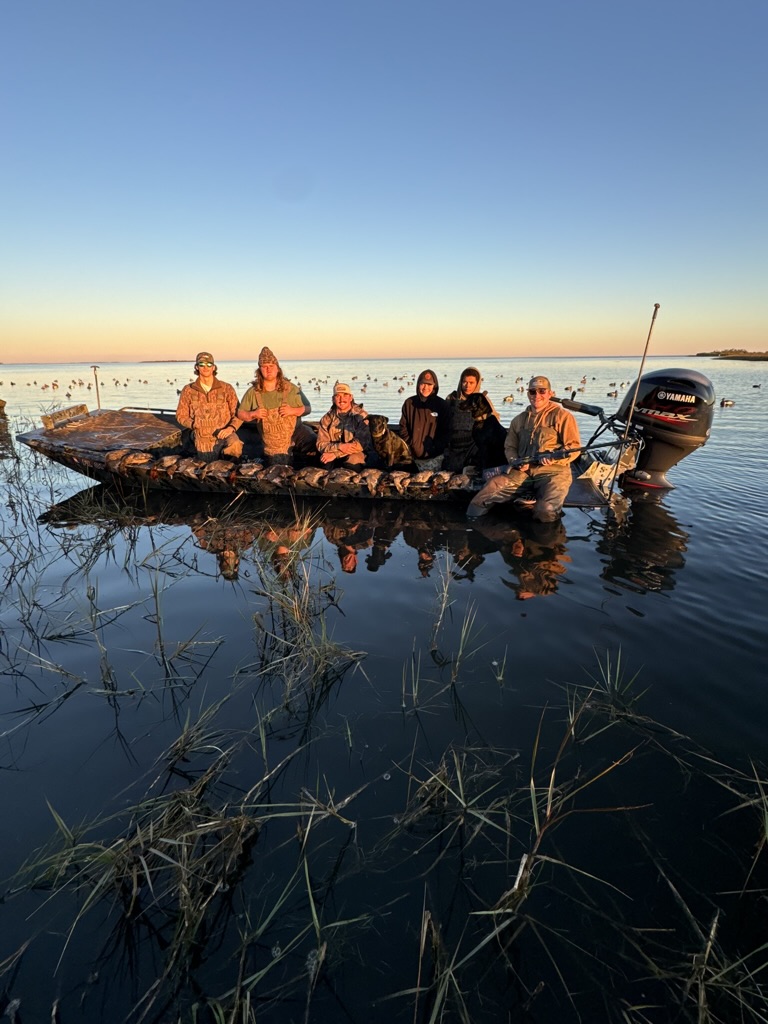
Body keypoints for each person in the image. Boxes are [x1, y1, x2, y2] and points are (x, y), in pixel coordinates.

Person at [466, 375, 581, 522]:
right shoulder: (518, 420)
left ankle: (545, 541)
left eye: (542, 391)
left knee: (545, 510)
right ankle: (474, 532)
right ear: (528, 394)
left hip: (553, 474)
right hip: (523, 473)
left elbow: (575, 447)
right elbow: (510, 446)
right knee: (484, 495)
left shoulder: (563, 416)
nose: (537, 395)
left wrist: (554, 456)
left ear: (550, 393)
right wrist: (515, 461)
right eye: (533, 392)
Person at [231, 347, 313, 464]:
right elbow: (240, 414)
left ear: (278, 369)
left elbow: (308, 408)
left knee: (313, 441)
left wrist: (293, 410)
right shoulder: (253, 392)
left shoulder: (291, 388)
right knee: (277, 467)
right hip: (270, 440)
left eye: (271, 366)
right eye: (264, 367)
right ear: (259, 370)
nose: (268, 370)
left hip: (295, 432)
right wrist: (253, 414)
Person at [175, 352, 243, 461]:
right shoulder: (188, 390)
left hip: (224, 434)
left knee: (234, 444)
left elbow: (239, 413)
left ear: (214, 367)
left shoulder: (226, 388)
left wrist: (230, 428)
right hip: (202, 435)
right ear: (197, 367)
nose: (205, 368)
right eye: (201, 364)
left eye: (209, 364)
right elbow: (180, 415)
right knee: (206, 468)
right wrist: (193, 424)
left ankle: (232, 470)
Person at [442, 366, 498, 472]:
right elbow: (443, 422)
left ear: (477, 383)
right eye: (465, 382)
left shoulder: (482, 401)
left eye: (471, 383)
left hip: (473, 447)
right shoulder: (451, 399)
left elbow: (493, 423)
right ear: (460, 382)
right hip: (454, 447)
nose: (467, 386)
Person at [316, 382, 377, 468]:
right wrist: (339, 446)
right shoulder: (326, 419)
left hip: (359, 453)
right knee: (324, 460)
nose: (342, 399)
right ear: (333, 399)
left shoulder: (361, 416)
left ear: (351, 397)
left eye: (345, 395)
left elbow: (361, 444)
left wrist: (335, 454)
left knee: (354, 459)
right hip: (334, 453)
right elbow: (321, 444)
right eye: (338, 396)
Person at [399, 369, 448, 469]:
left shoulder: (442, 405)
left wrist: (436, 447)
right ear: (418, 385)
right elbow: (403, 427)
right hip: (412, 458)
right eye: (423, 384)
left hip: (435, 459)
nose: (426, 388)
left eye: (429, 385)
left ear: (434, 386)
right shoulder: (409, 403)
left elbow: (447, 430)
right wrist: (410, 444)